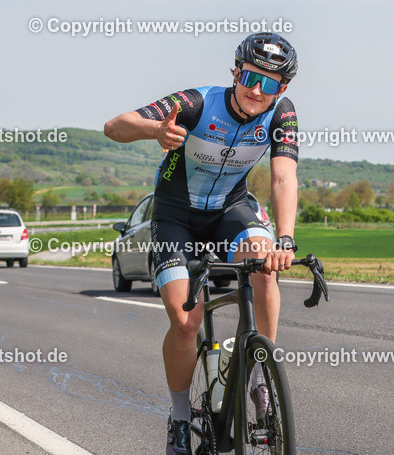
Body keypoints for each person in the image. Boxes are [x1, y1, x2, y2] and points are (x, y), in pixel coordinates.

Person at [104, 32, 300, 455]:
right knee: (186, 323)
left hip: (231, 211)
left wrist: (285, 238)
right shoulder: (195, 103)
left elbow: (283, 177)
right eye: (250, 76)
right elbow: (114, 126)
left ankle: (258, 375)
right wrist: (154, 129)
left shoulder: (282, 114)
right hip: (177, 217)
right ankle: (178, 416)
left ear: (281, 90)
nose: (256, 90)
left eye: (270, 84)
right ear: (235, 71)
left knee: (266, 267)